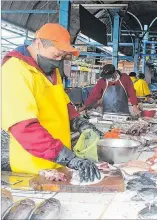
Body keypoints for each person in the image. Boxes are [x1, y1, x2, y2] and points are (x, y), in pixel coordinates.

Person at [1, 23, 102, 183]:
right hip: (33, 168)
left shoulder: (51, 70)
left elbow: (62, 101)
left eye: (62, 57)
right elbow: (24, 128)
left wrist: (78, 122)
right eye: (56, 56)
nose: (58, 62)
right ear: (39, 43)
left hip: (60, 161)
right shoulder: (15, 71)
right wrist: (69, 158)